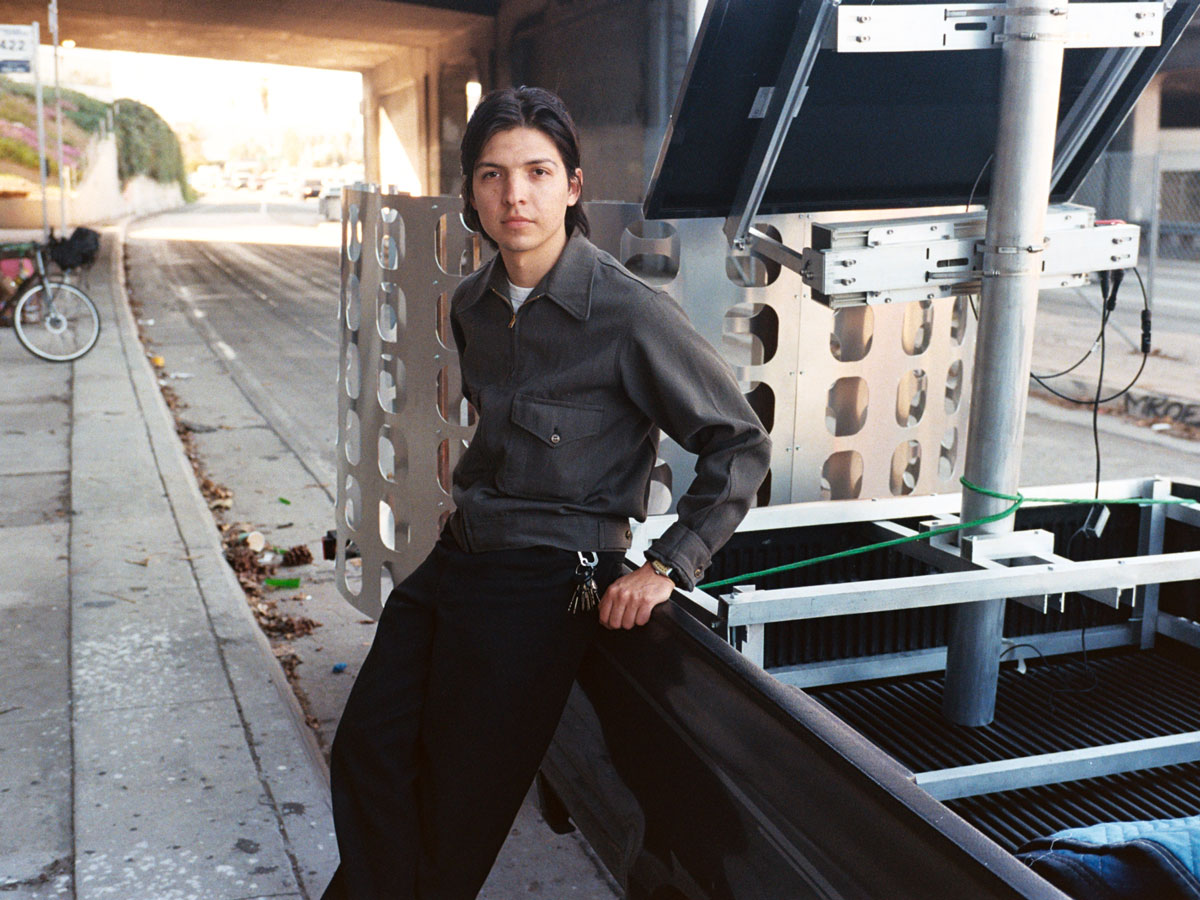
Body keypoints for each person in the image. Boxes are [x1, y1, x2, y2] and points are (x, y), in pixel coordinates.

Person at [321, 85, 771, 899]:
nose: (514, 195)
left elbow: (738, 442)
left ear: (572, 186)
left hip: (550, 580)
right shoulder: (474, 304)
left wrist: (668, 565)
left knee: (459, 801)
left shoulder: (629, 314)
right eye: (492, 175)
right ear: (471, 194)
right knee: (367, 749)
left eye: (536, 172)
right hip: (461, 557)